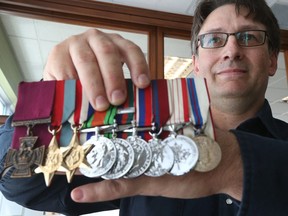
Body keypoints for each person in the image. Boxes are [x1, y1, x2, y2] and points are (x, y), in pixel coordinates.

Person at [1, 0, 288, 215]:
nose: (232, 50)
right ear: (197, 63)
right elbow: (19, 185)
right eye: (214, 39)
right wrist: (48, 101)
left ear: (272, 60)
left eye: (249, 37)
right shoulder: (136, 137)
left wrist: (236, 166)